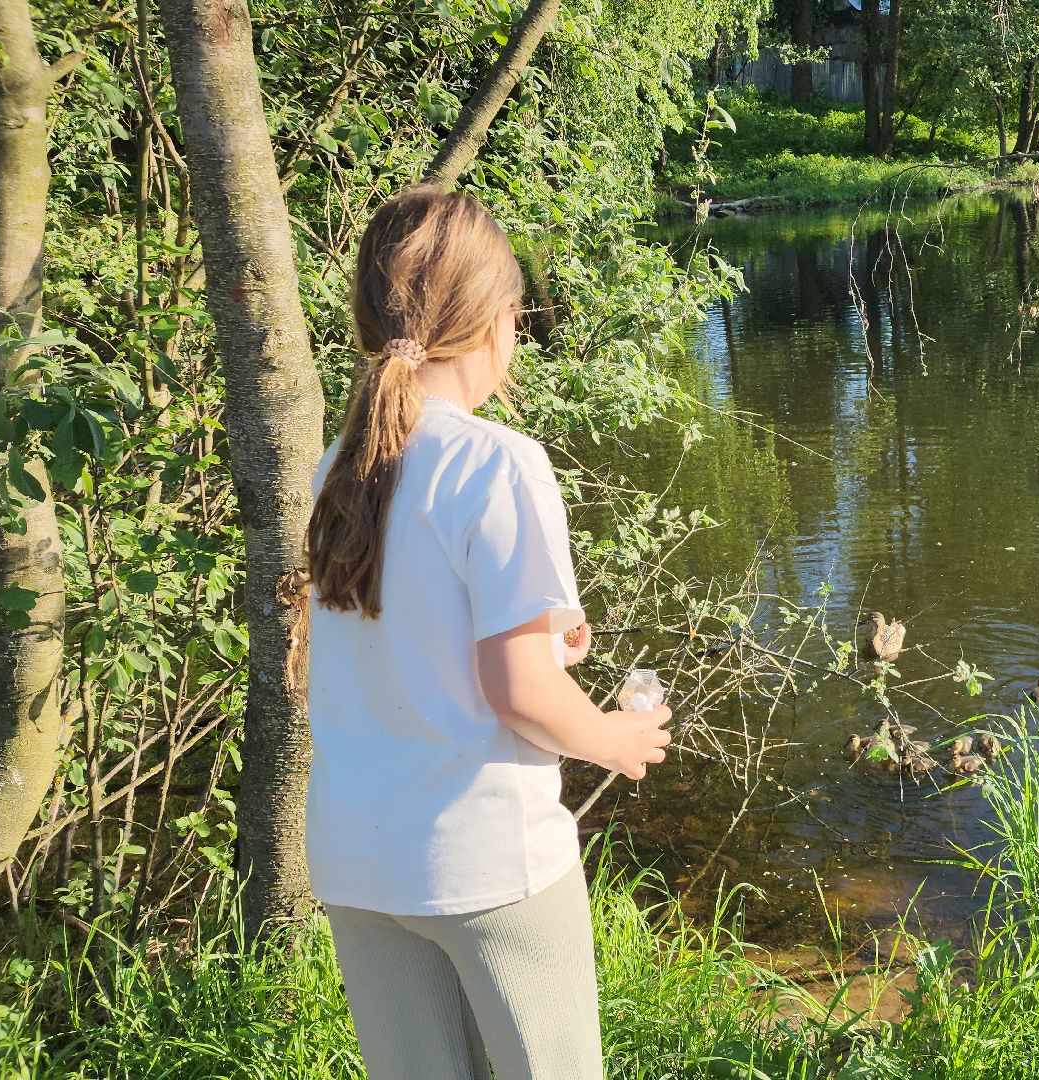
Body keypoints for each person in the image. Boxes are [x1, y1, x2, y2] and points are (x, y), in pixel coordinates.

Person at [302, 185, 673, 1080]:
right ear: (501, 321)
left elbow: (394, 648)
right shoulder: (500, 461)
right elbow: (519, 694)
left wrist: (548, 645)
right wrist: (615, 740)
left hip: (358, 864)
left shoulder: (342, 462)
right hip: (482, 864)